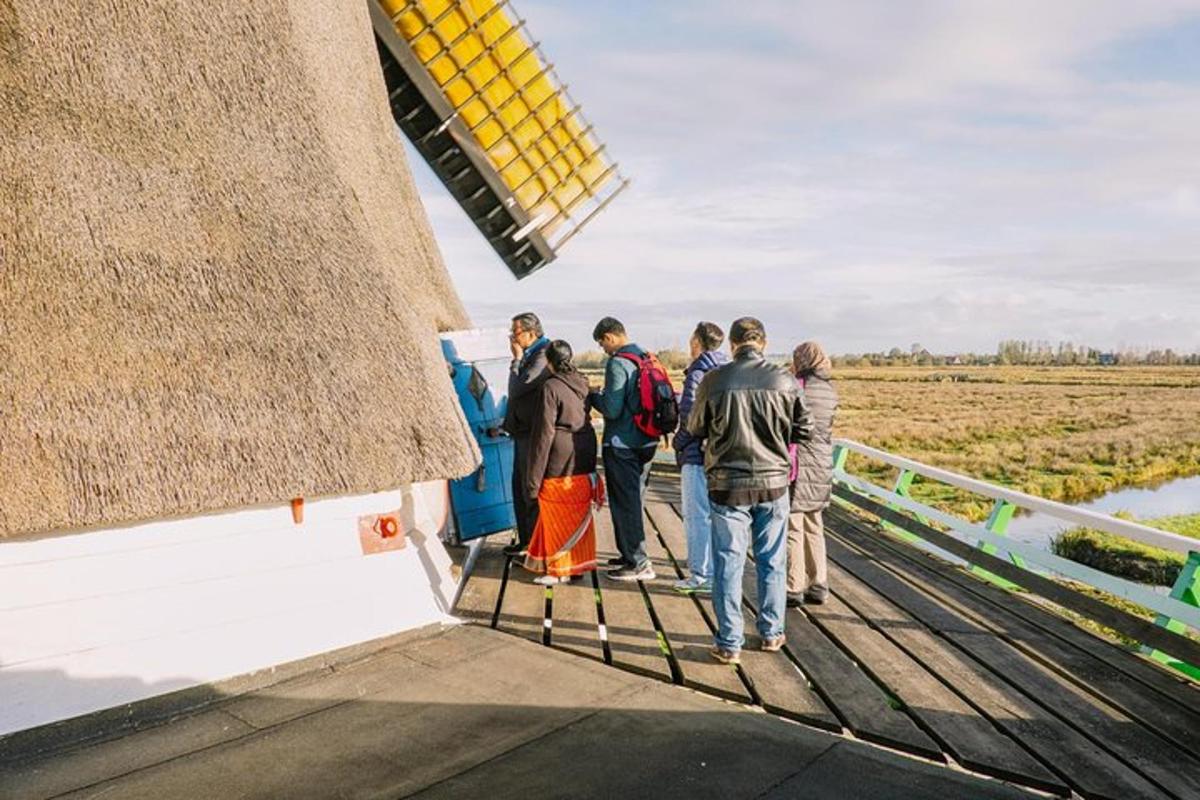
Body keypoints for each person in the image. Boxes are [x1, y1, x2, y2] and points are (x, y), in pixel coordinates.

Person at [688, 317, 812, 663]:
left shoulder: (714, 380)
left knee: (729, 561)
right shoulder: (785, 379)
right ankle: (771, 633)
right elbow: (806, 430)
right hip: (773, 485)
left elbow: (695, 426)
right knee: (773, 560)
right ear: (764, 343)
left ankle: (730, 642)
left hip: (727, 485)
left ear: (732, 344)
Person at [523, 341, 603, 585]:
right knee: (578, 510)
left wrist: (532, 480)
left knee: (556, 511)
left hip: (560, 455)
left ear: (549, 361)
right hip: (585, 450)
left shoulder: (551, 387)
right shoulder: (583, 382)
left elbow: (543, 435)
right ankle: (576, 565)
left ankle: (559, 569)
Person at [590, 316, 658, 581]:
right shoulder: (646, 357)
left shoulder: (618, 362)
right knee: (634, 500)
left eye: (601, 344)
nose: (603, 349)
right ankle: (628, 554)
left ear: (609, 337)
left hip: (622, 443)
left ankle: (640, 563)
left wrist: (592, 394)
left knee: (625, 503)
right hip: (648, 440)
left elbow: (612, 408)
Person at [671, 322, 729, 595]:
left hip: (696, 454)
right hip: (722, 455)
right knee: (719, 516)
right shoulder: (727, 372)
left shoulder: (697, 373)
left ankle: (700, 574)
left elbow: (689, 418)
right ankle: (716, 571)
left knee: (696, 516)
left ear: (697, 343)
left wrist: (678, 443)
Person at [787, 341, 838, 606]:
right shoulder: (830, 389)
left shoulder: (798, 386)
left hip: (800, 463)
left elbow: (792, 425)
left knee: (793, 524)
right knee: (815, 523)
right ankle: (819, 583)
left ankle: (794, 585)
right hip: (822, 463)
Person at [503, 312, 550, 557]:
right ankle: (525, 542)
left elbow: (518, 387)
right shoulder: (534, 353)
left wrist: (516, 360)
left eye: (516, 333)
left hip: (532, 433)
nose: (512, 338)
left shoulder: (542, 355)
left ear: (531, 333)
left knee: (529, 489)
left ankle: (533, 545)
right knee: (519, 487)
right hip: (522, 431)